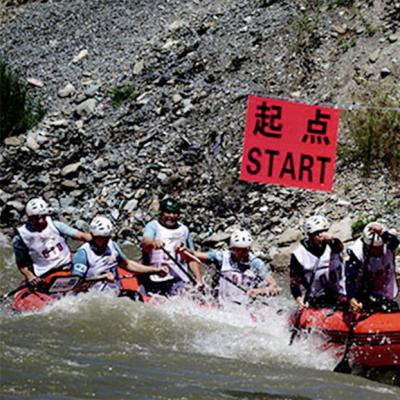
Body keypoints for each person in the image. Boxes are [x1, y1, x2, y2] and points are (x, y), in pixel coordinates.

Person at [71, 216, 168, 296]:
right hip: (94, 297)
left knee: (135, 296)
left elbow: (127, 264)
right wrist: (102, 277)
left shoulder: (112, 245)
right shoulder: (82, 255)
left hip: (114, 293)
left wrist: (155, 270)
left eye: (107, 238)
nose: (105, 241)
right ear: (93, 236)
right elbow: (76, 285)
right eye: (102, 238)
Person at [179, 229, 280, 305]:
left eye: (245, 250)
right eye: (238, 250)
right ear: (232, 248)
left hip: (244, 308)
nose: (241, 253)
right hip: (222, 305)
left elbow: (274, 287)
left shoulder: (256, 263)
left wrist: (258, 291)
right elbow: (196, 255)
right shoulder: (222, 257)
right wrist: (184, 249)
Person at [12, 197, 92, 288]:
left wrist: (97, 238)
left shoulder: (55, 225)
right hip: (47, 273)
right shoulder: (20, 238)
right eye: (36, 218)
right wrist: (30, 276)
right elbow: (21, 264)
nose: (41, 220)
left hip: (68, 263)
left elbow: (81, 236)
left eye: (43, 216)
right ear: (29, 218)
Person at [140, 197, 203, 296]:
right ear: (161, 213)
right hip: (156, 276)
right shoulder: (153, 226)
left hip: (178, 279)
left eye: (175, 213)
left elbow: (191, 257)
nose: (171, 216)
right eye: (168, 213)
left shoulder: (184, 230)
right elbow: (145, 242)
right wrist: (153, 243)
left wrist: (199, 279)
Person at [289, 215, 347, 310]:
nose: (322, 236)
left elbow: (339, 247)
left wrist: (332, 240)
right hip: (317, 296)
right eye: (319, 233)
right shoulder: (299, 254)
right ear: (311, 235)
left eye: (324, 232)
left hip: (340, 292)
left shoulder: (332, 244)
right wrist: (298, 298)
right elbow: (294, 281)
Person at [346, 222, 399, 313]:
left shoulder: (388, 243)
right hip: (368, 294)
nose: (377, 250)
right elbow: (350, 277)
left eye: (379, 247)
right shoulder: (357, 252)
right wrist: (352, 297)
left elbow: (395, 242)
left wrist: (382, 233)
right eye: (374, 248)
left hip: (389, 293)